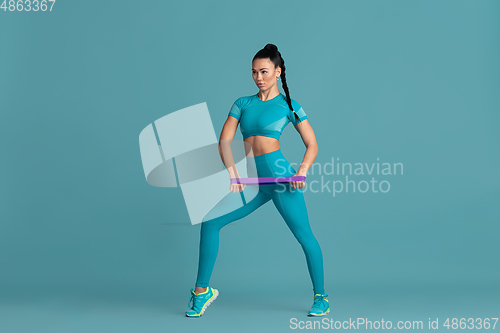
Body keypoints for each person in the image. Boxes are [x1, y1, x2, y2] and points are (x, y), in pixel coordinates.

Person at [185, 43, 329, 317]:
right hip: (251, 179)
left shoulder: (289, 105)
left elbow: (312, 144)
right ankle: (201, 292)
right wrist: (233, 173)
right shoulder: (243, 103)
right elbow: (224, 141)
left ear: (278, 71)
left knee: (304, 236)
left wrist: (302, 171)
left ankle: (321, 297)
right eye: (254, 72)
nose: (258, 77)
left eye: (264, 71)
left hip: (280, 177)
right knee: (210, 222)